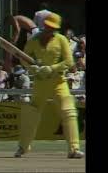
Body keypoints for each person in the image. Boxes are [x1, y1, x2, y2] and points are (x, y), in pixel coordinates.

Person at [14, 12, 85, 159]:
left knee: (69, 110)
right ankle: (23, 147)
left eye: (52, 28)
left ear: (56, 29)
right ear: (43, 26)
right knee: (32, 113)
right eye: (47, 27)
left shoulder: (61, 40)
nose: (49, 30)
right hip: (40, 81)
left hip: (58, 81)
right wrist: (33, 69)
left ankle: (74, 148)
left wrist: (51, 68)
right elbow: (24, 59)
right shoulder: (34, 40)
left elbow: (69, 62)